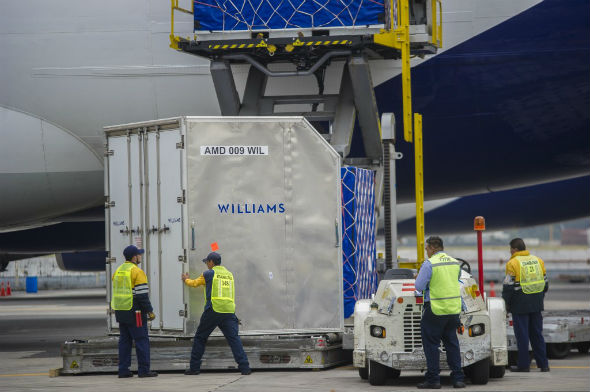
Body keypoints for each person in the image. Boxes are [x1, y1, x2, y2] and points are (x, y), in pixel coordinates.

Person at [181, 252, 251, 375]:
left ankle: (194, 368)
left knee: (200, 338)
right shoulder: (229, 275)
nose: (206, 264)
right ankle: (245, 368)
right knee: (234, 339)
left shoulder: (209, 274)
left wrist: (186, 279)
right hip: (229, 311)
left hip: (213, 310)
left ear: (211, 262)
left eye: (207, 262)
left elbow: (195, 283)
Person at [414, 236, 465, 389]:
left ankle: (433, 380)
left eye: (427, 249)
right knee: (452, 343)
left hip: (435, 309)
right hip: (453, 310)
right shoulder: (454, 263)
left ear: (432, 248)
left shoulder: (430, 264)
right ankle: (458, 378)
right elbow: (455, 281)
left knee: (431, 345)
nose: (426, 252)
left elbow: (419, 286)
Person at [502, 238, 549, 372]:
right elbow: (545, 284)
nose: (510, 251)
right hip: (536, 304)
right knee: (537, 335)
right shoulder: (538, 260)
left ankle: (523, 365)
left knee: (522, 336)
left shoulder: (512, 263)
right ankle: (544, 364)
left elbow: (508, 287)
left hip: (520, 305)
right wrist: (539, 297)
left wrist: (506, 305)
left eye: (510, 249)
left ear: (514, 249)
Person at [111, 245, 158, 378]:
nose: (140, 256)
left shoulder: (118, 270)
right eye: (139, 254)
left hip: (121, 311)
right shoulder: (137, 271)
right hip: (135, 312)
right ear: (134, 257)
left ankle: (123, 370)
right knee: (141, 340)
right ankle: (144, 370)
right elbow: (142, 295)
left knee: (124, 341)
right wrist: (150, 311)